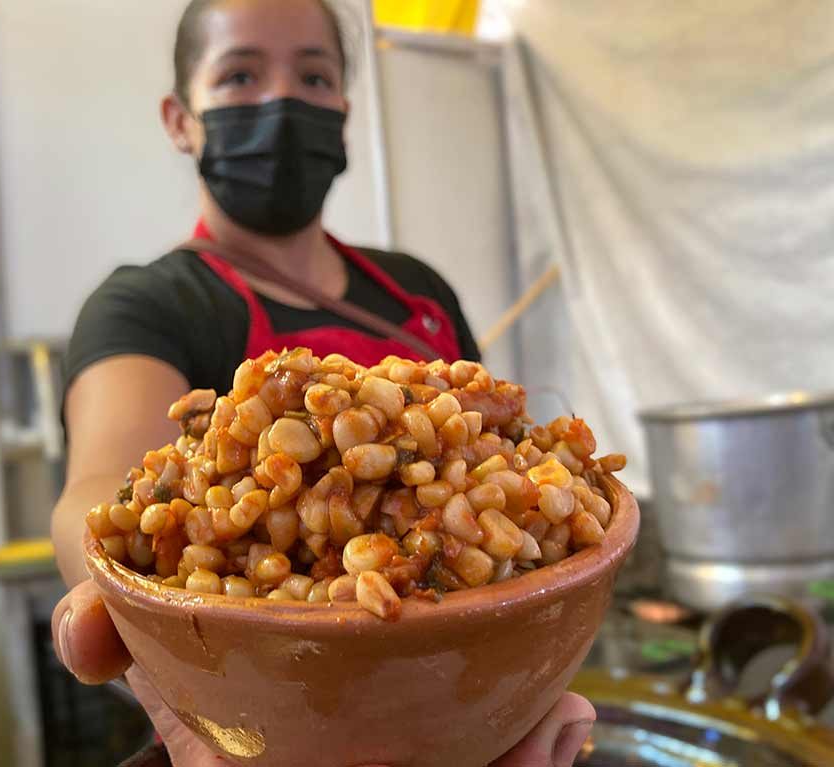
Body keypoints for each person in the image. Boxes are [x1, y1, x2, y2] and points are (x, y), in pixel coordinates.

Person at [50, 1, 595, 765]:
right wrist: (141, 623)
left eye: (314, 75)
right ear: (180, 119)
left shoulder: (419, 289)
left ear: (342, 110)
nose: (283, 101)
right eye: (240, 74)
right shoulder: (147, 302)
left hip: (467, 698)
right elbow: (101, 490)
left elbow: (499, 448)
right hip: (262, 723)